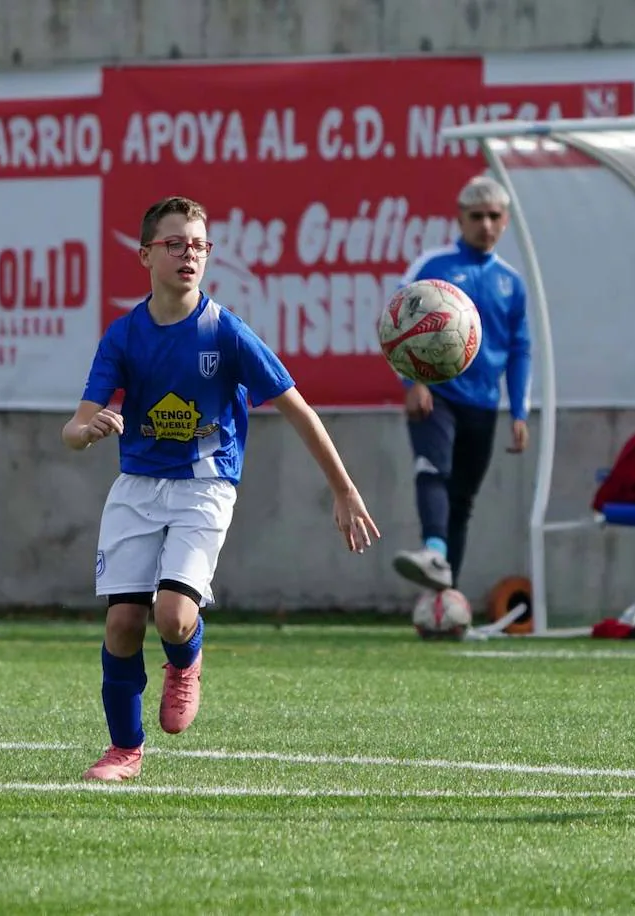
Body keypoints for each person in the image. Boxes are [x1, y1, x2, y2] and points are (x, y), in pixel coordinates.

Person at [63, 196, 381, 782]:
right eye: (175, 243)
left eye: (199, 245)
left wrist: (345, 490)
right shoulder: (124, 335)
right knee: (121, 625)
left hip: (204, 488)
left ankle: (187, 657)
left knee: (173, 617)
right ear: (145, 255)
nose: (189, 254)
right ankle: (124, 750)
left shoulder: (225, 332)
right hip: (137, 486)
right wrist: (90, 430)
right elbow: (75, 427)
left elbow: (298, 408)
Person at [390, 175, 532, 592]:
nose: (485, 225)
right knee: (433, 469)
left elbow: (520, 348)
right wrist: (412, 381)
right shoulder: (433, 267)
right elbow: (397, 323)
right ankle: (434, 551)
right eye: (477, 216)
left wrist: (519, 411)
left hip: (484, 404)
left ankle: (446, 596)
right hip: (436, 393)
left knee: (463, 500)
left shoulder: (511, 282)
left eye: (493, 216)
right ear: (460, 218)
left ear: (505, 220)